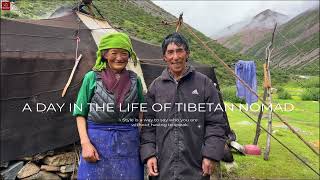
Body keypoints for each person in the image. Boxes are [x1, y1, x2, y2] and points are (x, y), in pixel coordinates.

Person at [140, 32, 227, 180]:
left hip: (196, 165)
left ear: (187, 53)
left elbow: (216, 123)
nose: (175, 57)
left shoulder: (204, 84)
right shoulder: (156, 86)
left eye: (180, 50)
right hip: (163, 166)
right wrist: (149, 154)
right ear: (164, 57)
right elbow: (149, 126)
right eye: (170, 52)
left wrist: (210, 154)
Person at [73, 32, 144, 179]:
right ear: (105, 54)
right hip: (97, 142)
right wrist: (85, 143)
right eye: (114, 53)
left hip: (128, 143)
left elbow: (141, 111)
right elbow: (80, 113)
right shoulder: (91, 77)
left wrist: (141, 138)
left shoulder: (135, 79)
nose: (119, 57)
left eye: (124, 53)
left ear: (129, 55)